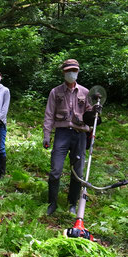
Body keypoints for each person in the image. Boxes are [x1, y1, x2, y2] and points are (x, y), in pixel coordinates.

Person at [43, 59, 92, 215]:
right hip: (62, 134)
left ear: (78, 72)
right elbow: (49, 115)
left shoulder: (86, 92)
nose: (72, 73)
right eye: (69, 70)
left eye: (75, 70)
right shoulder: (55, 92)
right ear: (64, 72)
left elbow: (92, 117)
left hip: (80, 135)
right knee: (55, 170)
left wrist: (96, 112)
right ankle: (52, 203)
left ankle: (72, 203)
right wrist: (46, 135)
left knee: (77, 171)